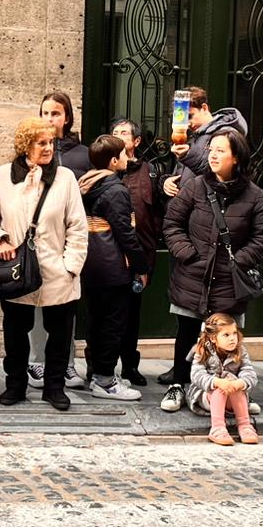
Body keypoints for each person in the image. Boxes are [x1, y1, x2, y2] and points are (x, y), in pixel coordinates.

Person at [160, 129, 263, 413]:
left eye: (221, 150)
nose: (213, 154)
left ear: (236, 157)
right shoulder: (196, 186)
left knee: (227, 339)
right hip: (193, 275)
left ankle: (233, 391)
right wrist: (187, 253)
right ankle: (178, 384)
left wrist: (239, 261)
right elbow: (172, 223)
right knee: (186, 332)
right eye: (212, 149)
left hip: (228, 280)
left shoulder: (254, 195)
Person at [0, 117, 88, 411]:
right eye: (41, 142)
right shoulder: (4, 175)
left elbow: (78, 226)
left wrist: (70, 266)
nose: (48, 148)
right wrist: (0, 241)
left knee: (60, 333)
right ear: (25, 145)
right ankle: (15, 384)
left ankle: (54, 387)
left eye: (50, 142)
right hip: (17, 267)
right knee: (15, 330)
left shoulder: (65, 178)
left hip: (57, 269)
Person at [28, 90, 89, 392]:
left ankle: (66, 364)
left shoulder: (82, 154)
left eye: (55, 113)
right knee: (38, 302)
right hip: (40, 239)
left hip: (69, 240)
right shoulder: (30, 151)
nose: (50, 119)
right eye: (45, 113)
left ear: (67, 117)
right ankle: (37, 361)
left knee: (67, 306)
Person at [79, 134, 147, 401]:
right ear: (113, 160)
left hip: (91, 264)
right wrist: (141, 266)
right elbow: (126, 234)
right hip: (113, 266)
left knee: (97, 321)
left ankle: (97, 371)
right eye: (124, 154)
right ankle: (105, 380)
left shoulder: (85, 184)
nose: (129, 158)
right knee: (113, 323)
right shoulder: (116, 190)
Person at [111, 116, 163, 388]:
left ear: (136, 141)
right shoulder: (104, 169)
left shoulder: (150, 172)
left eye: (124, 133)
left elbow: (157, 212)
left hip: (140, 254)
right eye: (115, 132)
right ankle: (100, 366)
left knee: (132, 315)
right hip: (109, 254)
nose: (119, 136)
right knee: (108, 314)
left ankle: (130, 366)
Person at [162, 85, 248, 198]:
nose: (188, 123)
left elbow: (220, 172)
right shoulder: (194, 135)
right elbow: (182, 173)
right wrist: (167, 181)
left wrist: (187, 155)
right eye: (184, 118)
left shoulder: (226, 132)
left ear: (204, 108)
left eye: (190, 116)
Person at [189, 312, 259, 446]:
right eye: (226, 335)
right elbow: (196, 374)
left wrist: (241, 382)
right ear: (213, 338)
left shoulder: (240, 350)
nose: (232, 338)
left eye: (234, 333)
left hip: (232, 397)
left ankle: (245, 426)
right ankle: (217, 428)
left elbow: (250, 373)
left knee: (236, 386)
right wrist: (216, 382)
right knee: (220, 389)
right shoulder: (202, 350)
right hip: (207, 398)